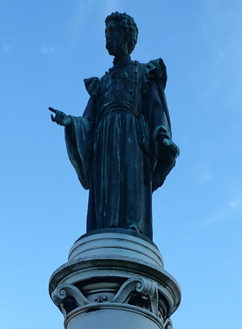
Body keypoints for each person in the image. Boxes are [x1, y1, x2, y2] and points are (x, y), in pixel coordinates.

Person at [50, 12, 178, 240]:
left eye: (113, 32)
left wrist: (162, 137)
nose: (108, 37)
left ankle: (133, 225)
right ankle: (103, 226)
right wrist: (71, 122)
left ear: (127, 37)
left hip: (132, 135)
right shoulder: (102, 82)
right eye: (106, 32)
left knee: (131, 179)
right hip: (104, 137)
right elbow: (88, 121)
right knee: (105, 185)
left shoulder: (144, 73)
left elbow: (156, 109)